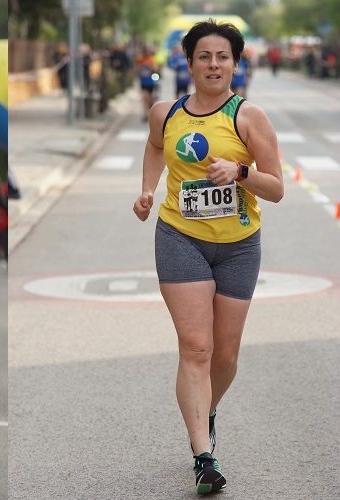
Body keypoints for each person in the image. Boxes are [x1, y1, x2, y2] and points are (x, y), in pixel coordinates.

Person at [132, 19, 283, 495]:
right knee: (196, 347)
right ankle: (204, 457)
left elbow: (276, 188)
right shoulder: (165, 113)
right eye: (204, 56)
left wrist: (240, 172)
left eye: (222, 57)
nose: (213, 65)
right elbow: (155, 147)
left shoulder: (249, 117)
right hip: (180, 237)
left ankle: (207, 409)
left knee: (225, 354)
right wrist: (147, 190)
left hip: (239, 245)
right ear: (189, 63)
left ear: (235, 65)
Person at [135, 45, 161, 121]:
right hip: (143, 81)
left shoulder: (151, 59)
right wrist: (140, 67)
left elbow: (156, 68)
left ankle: (151, 111)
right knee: (144, 97)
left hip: (151, 82)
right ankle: (145, 114)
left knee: (150, 98)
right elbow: (136, 69)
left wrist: (149, 65)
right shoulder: (140, 59)